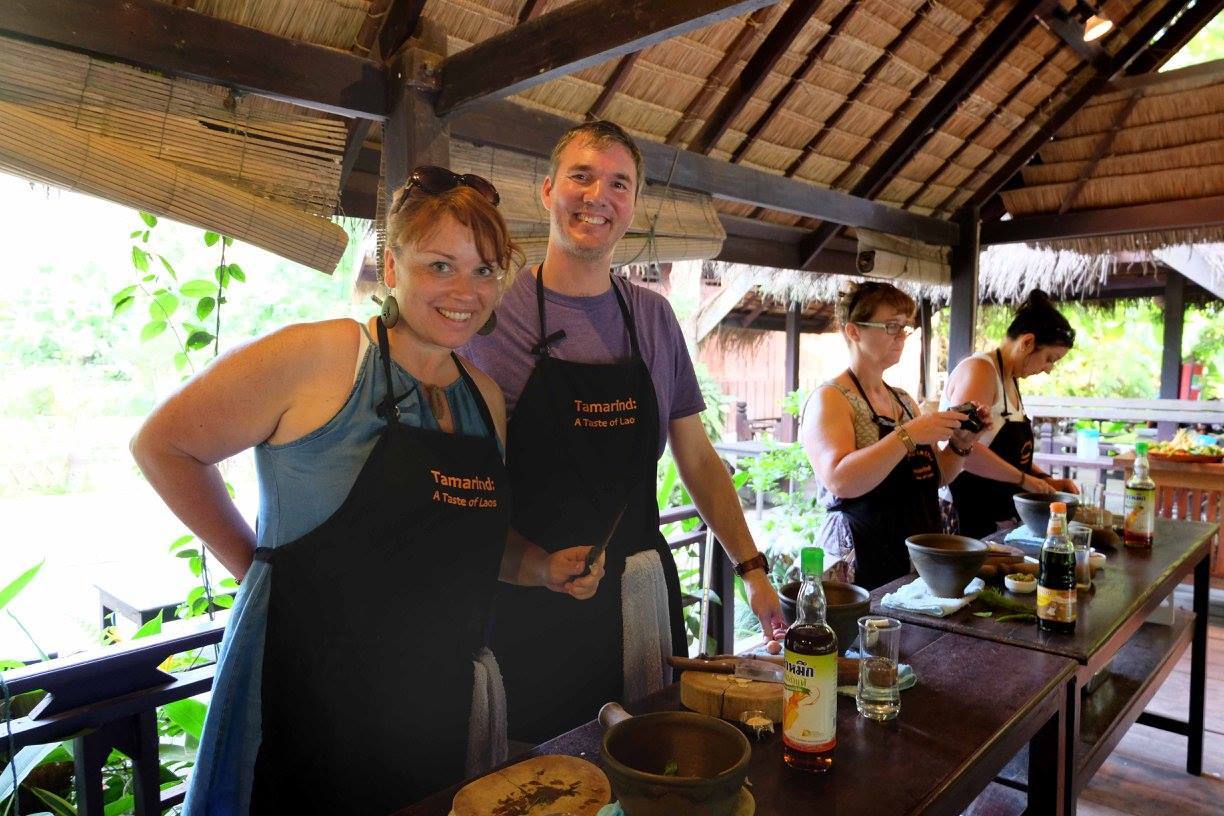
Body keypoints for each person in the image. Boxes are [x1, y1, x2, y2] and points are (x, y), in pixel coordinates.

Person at [131, 168, 606, 815]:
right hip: (304, 698)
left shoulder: (483, 397)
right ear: (391, 267)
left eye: (486, 270)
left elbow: (473, 544)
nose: (466, 291)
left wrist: (544, 567)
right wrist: (260, 568)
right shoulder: (323, 356)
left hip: (431, 711)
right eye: (442, 265)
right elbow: (164, 444)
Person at [461, 120, 785, 743]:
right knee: (543, 780)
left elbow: (698, 458)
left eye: (619, 183)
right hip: (529, 597)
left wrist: (752, 568)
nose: (597, 196)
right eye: (581, 176)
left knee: (652, 760)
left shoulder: (654, 318)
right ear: (549, 189)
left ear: (633, 204)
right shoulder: (493, 318)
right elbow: (468, 478)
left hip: (638, 590)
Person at [799, 281, 989, 590]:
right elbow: (839, 479)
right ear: (854, 331)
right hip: (859, 556)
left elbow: (935, 476)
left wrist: (961, 443)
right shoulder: (831, 398)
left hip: (914, 556)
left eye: (905, 327)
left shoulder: (903, 400)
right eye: (891, 326)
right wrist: (908, 434)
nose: (901, 336)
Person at [942, 288, 1078, 538]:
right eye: (1050, 358)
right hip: (965, 511)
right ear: (1027, 343)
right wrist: (1025, 480)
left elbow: (1012, 456)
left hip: (995, 511)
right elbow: (964, 449)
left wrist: (1044, 480)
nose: (1048, 369)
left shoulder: (1011, 380)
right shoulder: (980, 371)